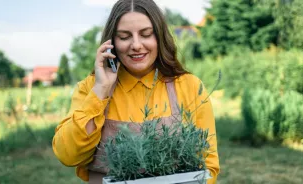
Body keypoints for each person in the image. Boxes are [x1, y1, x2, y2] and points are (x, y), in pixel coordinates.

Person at [52, 0, 220, 183]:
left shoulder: (190, 86)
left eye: (146, 34)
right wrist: (101, 90)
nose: (136, 45)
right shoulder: (91, 88)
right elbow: (68, 155)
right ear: (111, 43)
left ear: (160, 37)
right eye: (124, 37)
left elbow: (208, 165)